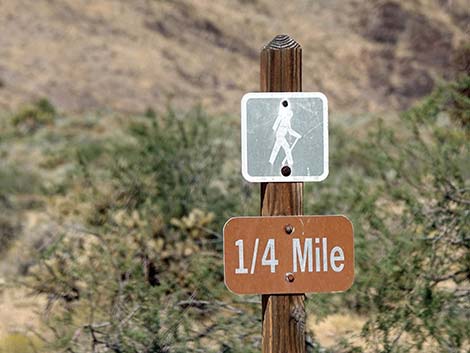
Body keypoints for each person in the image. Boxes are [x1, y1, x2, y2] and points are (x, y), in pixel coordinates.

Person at [269, 99, 301, 166]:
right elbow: (277, 123)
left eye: (290, 116)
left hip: (281, 136)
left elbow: (290, 131)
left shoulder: (287, 121)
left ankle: (271, 161)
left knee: (276, 148)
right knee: (287, 148)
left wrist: (297, 135)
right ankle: (290, 162)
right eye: (289, 115)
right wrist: (273, 129)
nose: (290, 116)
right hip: (280, 135)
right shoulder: (284, 119)